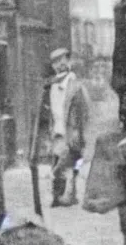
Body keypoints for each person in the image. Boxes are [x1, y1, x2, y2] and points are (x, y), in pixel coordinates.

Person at [37, 47, 89, 207]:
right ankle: (59, 195)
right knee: (58, 160)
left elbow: (84, 111)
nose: (60, 64)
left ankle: (68, 194)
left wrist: (79, 131)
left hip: (70, 130)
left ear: (69, 62)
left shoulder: (76, 86)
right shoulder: (51, 86)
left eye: (63, 60)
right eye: (56, 62)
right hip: (57, 130)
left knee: (67, 162)